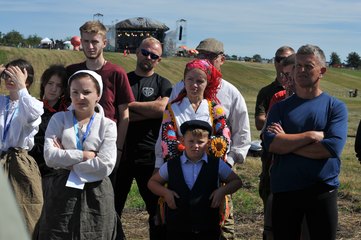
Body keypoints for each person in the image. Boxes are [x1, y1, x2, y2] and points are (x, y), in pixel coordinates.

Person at [161, 38, 251, 239]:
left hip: (217, 167)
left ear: (222, 59)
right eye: (201, 55)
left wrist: (228, 162)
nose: (205, 60)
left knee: (220, 220)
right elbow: (167, 130)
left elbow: (241, 132)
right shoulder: (179, 89)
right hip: (180, 165)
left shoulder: (230, 92)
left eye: (211, 56)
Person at [263, 44, 348, 239]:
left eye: (308, 66)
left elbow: (331, 148)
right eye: (297, 66)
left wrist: (288, 144)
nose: (301, 70)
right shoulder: (279, 108)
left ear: (322, 71)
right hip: (285, 191)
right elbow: (272, 144)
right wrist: (311, 136)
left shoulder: (335, 107)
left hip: (322, 190)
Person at [38, 70, 118, 239]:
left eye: (87, 92)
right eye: (75, 92)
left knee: (95, 233)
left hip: (96, 192)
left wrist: (65, 158)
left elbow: (106, 165)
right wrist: (86, 155)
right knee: (58, 232)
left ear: (98, 95)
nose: (80, 97)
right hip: (61, 189)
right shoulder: (59, 119)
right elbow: (49, 157)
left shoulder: (108, 125)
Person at [114, 37, 172, 240]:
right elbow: (115, 112)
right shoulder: (123, 79)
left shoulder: (163, 83)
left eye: (154, 55)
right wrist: (148, 110)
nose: (148, 57)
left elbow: (161, 109)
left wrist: (127, 107)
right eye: (145, 52)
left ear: (159, 60)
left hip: (149, 156)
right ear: (137, 52)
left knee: (156, 210)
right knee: (113, 208)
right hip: (121, 153)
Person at [148, 120, 243, 240]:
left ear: (208, 143)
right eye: (191, 141)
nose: (195, 146)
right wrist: (165, 192)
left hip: (207, 229)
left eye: (200, 142)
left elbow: (237, 181)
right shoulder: (171, 165)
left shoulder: (216, 164)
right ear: (182, 141)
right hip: (177, 229)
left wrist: (222, 191)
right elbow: (152, 183)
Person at [66, 20, 135, 184]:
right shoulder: (71, 72)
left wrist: (117, 149)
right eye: (86, 41)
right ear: (81, 42)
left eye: (95, 41)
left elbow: (124, 115)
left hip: (105, 146)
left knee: (102, 201)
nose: (90, 46)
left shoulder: (116, 73)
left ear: (104, 42)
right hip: (75, 146)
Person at [0, 59, 44, 238]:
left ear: (27, 80)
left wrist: (21, 88)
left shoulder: (33, 104)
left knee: (24, 211)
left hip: (20, 163)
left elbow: (31, 115)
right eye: (7, 75)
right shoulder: (1, 102)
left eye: (16, 76)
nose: (10, 79)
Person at [255, 46, 295, 239]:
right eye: (279, 59)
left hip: (297, 162)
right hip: (272, 157)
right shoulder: (272, 93)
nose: (282, 63)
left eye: (287, 60)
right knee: (270, 197)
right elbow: (263, 125)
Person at [29, 65, 69, 177]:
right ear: (44, 84)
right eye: (50, 83)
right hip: (27, 163)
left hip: (50, 171)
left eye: (58, 85)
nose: (53, 89)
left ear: (63, 90)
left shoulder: (65, 114)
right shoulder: (32, 106)